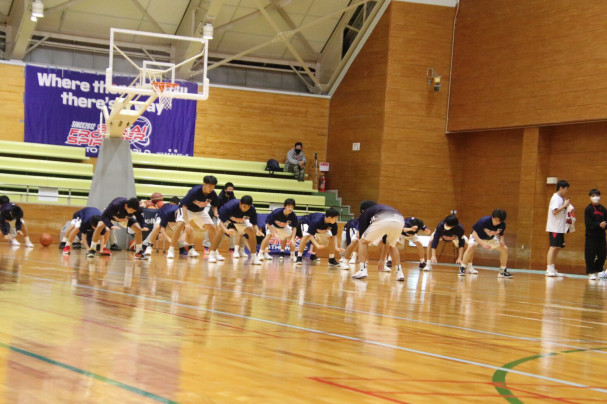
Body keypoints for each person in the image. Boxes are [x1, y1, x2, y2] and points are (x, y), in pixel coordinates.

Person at [352, 201, 405, 281]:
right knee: (392, 245)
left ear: (363, 210)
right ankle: (399, 272)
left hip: (383, 219)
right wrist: (382, 260)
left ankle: (363, 270)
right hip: (400, 219)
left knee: (362, 241)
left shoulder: (366, 212)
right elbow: (385, 242)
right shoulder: (381, 208)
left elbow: (361, 237)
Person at [179, 175, 223, 262]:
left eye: (213, 186)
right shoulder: (194, 191)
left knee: (212, 228)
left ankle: (214, 252)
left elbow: (214, 205)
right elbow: (184, 207)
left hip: (200, 212)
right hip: (188, 210)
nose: (211, 188)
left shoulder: (213, 194)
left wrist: (215, 212)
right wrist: (187, 223)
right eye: (210, 185)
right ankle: (171, 250)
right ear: (204, 184)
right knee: (179, 225)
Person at [459, 209, 511, 278]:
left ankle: (502, 271)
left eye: (499, 221)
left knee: (505, 249)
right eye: (496, 220)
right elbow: (474, 234)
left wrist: (501, 241)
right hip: (477, 236)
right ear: (492, 217)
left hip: (490, 238)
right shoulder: (484, 221)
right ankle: (463, 267)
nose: (497, 222)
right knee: (471, 246)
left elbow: (501, 235)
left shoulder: (502, 225)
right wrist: (483, 244)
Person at [217, 195, 261, 265]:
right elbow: (220, 222)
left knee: (251, 231)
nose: (245, 209)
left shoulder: (252, 209)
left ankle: (253, 257)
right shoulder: (229, 206)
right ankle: (213, 253)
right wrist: (226, 231)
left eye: (247, 207)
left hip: (240, 221)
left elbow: (254, 224)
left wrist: (257, 231)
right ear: (240, 203)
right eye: (244, 207)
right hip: (227, 219)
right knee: (220, 231)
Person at [546, 180, 570, 277]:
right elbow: (554, 211)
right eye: (566, 189)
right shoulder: (555, 198)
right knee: (553, 247)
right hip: (554, 227)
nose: (567, 191)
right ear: (561, 188)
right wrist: (565, 205)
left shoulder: (561, 198)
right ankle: (548, 269)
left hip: (560, 227)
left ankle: (552, 267)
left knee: (557, 248)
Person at [584, 189, 607, 280]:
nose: (595, 197)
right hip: (591, 236)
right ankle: (591, 272)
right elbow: (588, 223)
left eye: (597, 195)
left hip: (601, 236)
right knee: (590, 254)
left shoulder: (604, 209)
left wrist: (605, 225)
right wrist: (598, 225)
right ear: (590, 197)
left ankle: (598, 270)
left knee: (602, 255)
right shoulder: (588, 209)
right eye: (593, 196)